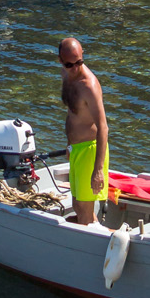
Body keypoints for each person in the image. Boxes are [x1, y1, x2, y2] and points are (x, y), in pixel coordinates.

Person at [59, 36, 108, 224]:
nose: (75, 68)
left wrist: (98, 170)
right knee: (77, 206)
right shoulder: (65, 76)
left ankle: (87, 247)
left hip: (90, 150)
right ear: (61, 61)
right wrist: (69, 146)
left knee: (84, 209)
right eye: (70, 64)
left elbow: (103, 127)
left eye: (79, 62)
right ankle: (93, 233)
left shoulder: (90, 86)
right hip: (76, 150)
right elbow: (72, 114)